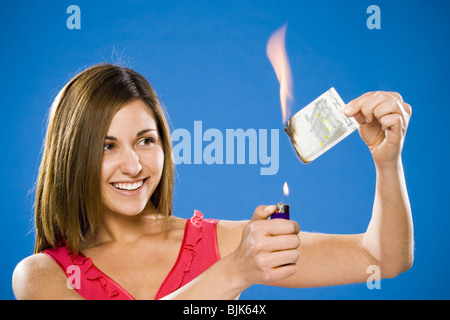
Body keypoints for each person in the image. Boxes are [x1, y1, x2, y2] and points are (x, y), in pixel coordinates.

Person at [12, 63, 413, 300]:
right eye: (106, 146)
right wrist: (234, 273)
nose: (133, 165)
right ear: (71, 156)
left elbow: (381, 258)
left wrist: (387, 161)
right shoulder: (43, 277)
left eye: (145, 141)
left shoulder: (220, 244)